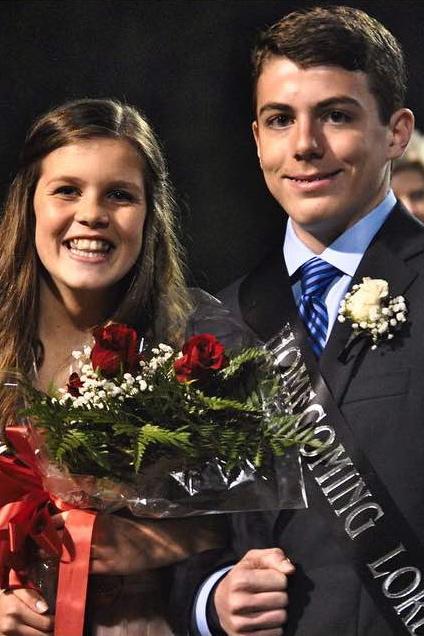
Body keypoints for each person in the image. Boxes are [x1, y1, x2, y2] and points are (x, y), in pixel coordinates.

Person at [169, 6, 424, 635]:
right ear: (257, 139)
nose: (305, 145)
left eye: (336, 115)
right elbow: (181, 539)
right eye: (281, 120)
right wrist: (212, 598)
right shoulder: (212, 324)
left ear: (395, 133)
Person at [0, 98, 226, 636]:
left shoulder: (194, 354)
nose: (92, 214)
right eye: (67, 190)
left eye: (120, 195)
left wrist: (156, 541)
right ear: (29, 203)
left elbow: (254, 525)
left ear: (150, 215)